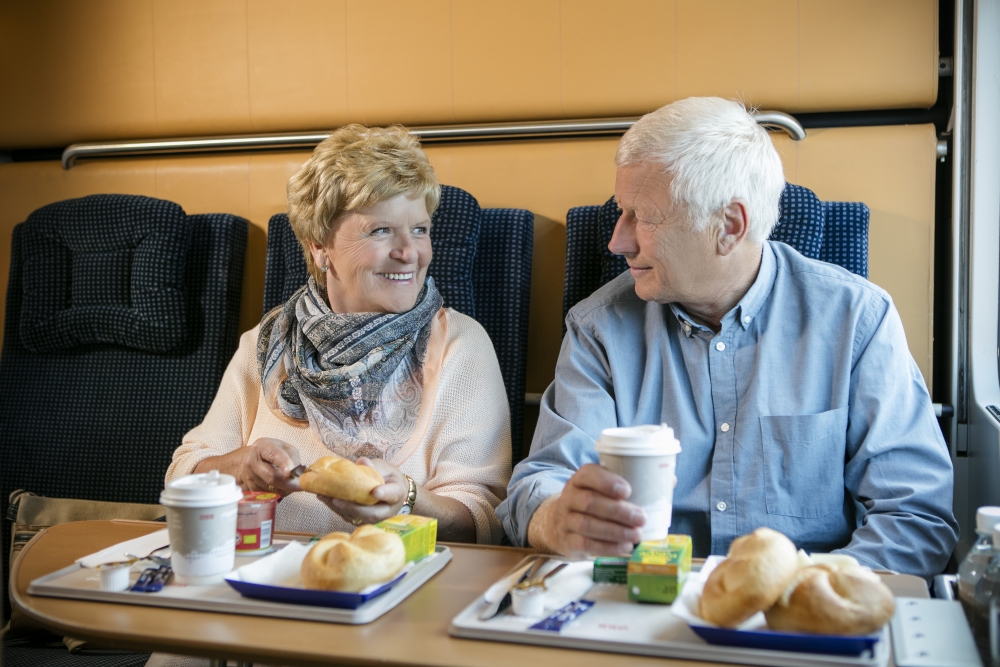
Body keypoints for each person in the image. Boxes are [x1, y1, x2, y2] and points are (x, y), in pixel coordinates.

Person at [497, 97, 959, 577]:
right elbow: (541, 484)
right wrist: (555, 519)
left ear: (729, 226)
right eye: (621, 211)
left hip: (801, 621)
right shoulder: (598, 329)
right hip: (644, 601)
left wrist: (802, 596)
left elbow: (915, 517)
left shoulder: (857, 320)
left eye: (644, 216)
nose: (617, 241)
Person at [167, 124, 511, 544]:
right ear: (318, 245)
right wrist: (236, 467)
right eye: (381, 230)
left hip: (402, 590)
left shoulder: (461, 344)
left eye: (420, 229)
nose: (410, 252)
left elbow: (488, 523)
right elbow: (184, 472)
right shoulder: (269, 340)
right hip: (262, 580)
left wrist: (407, 499)